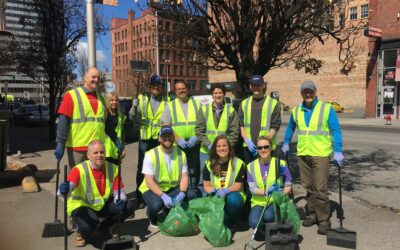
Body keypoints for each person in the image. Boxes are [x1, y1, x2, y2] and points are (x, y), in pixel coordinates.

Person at [281, 80, 344, 235]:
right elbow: (290, 127)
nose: (308, 94)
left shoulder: (326, 108)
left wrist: (338, 150)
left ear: (315, 92)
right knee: (308, 187)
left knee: (320, 188)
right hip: (303, 153)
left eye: (310, 91)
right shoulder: (297, 111)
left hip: (320, 154)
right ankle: (312, 214)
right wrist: (286, 142)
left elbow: (335, 130)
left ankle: (324, 220)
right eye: (305, 91)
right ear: (301, 93)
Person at [58, 140, 135, 247]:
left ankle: (104, 228)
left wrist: (120, 200)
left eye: (102, 152)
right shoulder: (79, 169)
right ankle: (80, 231)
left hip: (101, 206)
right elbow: (68, 186)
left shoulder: (112, 168)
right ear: (88, 155)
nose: (99, 155)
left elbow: (120, 193)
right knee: (88, 226)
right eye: (95, 153)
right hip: (82, 207)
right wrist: (64, 189)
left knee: (129, 206)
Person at [139, 125, 196, 226]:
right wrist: (163, 196)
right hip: (152, 189)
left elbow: (184, 176)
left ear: (174, 138)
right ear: (159, 139)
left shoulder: (181, 153)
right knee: (157, 204)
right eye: (164, 136)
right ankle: (152, 215)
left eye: (170, 136)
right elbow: (149, 181)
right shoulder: (150, 154)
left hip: (171, 188)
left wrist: (182, 193)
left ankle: (167, 210)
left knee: (191, 194)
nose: (167, 139)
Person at [130, 74, 169, 208]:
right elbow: (132, 117)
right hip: (145, 139)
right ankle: (140, 197)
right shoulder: (142, 99)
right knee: (142, 167)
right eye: (153, 85)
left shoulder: (166, 100)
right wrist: (134, 107)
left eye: (158, 85)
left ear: (161, 87)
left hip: (158, 140)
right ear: (150, 86)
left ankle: (155, 194)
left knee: (157, 168)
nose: (156, 87)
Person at [54, 67, 106, 168]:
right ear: (85, 78)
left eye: (98, 77)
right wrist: (60, 143)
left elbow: (104, 124)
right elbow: (63, 122)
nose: (96, 80)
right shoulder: (71, 95)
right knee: (77, 180)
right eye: (93, 77)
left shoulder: (101, 99)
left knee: (95, 181)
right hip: (78, 149)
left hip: (97, 149)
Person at [195, 84, 239, 196]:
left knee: (223, 178)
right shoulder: (204, 109)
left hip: (224, 153)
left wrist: (226, 147)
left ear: (224, 94)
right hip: (206, 151)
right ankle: (207, 205)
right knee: (204, 180)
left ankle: (223, 204)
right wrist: (209, 145)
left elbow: (234, 132)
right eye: (215, 93)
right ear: (212, 95)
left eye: (220, 93)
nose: (218, 95)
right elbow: (199, 131)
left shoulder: (231, 110)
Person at [161, 80, 201, 195]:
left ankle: (194, 191)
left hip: (194, 142)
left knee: (194, 169)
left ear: (187, 89)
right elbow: (166, 127)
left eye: (183, 88)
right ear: (175, 91)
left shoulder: (196, 103)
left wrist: (196, 137)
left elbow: (202, 124)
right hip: (179, 144)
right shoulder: (170, 105)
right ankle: (183, 192)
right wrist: (178, 140)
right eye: (179, 89)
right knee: (182, 170)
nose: (181, 91)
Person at [247, 136, 292, 229]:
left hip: (275, 201)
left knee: (269, 216)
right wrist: (266, 192)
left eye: (266, 147)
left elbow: (288, 185)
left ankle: (272, 226)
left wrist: (281, 193)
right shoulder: (250, 166)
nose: (263, 150)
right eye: (260, 148)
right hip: (258, 202)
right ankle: (265, 230)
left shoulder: (281, 163)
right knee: (253, 222)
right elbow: (252, 189)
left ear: (271, 148)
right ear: (257, 150)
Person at [203, 135, 245, 230]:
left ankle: (232, 221)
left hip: (232, 195)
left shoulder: (238, 163)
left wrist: (226, 190)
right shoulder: (208, 164)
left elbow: (238, 186)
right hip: (216, 196)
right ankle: (225, 223)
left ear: (229, 148)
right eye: (219, 146)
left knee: (234, 200)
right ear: (215, 149)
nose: (222, 148)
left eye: (224, 145)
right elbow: (206, 186)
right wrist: (214, 191)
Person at [238, 75, 281, 164]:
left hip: (266, 147)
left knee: (267, 175)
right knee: (250, 175)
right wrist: (247, 141)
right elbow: (241, 125)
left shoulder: (273, 103)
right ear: (250, 86)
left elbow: (275, 126)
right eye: (253, 85)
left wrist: (264, 144)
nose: (256, 87)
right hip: (249, 148)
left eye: (258, 85)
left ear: (263, 86)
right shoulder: (244, 103)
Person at [104, 93, 126, 165]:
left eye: (116, 100)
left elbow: (122, 133)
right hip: (106, 149)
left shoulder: (120, 115)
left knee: (116, 173)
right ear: (107, 101)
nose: (114, 102)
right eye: (111, 100)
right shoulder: (104, 114)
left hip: (117, 148)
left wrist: (123, 148)